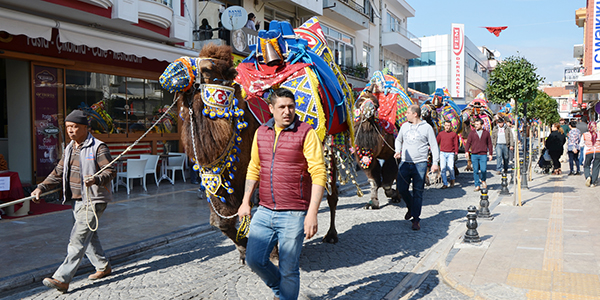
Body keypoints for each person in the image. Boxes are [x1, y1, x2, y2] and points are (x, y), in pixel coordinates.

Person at [237, 88, 326, 300]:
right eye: (282, 107)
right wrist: (245, 202)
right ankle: (282, 291)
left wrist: (312, 213)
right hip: (264, 210)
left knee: (289, 269)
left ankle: (286, 294)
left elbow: (319, 173)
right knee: (254, 260)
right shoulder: (261, 133)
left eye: (291, 107)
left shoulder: (306, 133)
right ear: (271, 109)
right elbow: (254, 168)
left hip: (294, 213)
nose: (287, 111)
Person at [31, 110, 116, 293]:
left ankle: (62, 278)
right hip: (76, 199)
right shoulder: (70, 147)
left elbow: (110, 171)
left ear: (86, 128)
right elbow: (58, 172)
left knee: (77, 238)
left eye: (75, 127)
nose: (71, 130)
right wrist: (41, 187)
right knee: (88, 236)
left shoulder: (98, 147)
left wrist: (96, 179)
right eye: (68, 127)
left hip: (93, 198)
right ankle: (103, 266)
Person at [394, 104, 439, 231]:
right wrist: (398, 150)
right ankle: (411, 207)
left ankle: (416, 219)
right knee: (401, 189)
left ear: (415, 114)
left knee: (418, 192)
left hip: (420, 164)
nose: (405, 114)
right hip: (405, 162)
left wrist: (435, 163)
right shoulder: (404, 126)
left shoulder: (427, 128)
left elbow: (434, 146)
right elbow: (398, 140)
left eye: (408, 112)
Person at [465, 118, 493, 192]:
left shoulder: (486, 133)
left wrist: (490, 154)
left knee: (483, 170)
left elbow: (489, 144)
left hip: (483, 154)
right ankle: (477, 185)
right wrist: (466, 151)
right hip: (474, 154)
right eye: (475, 124)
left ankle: (483, 180)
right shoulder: (472, 133)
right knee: (475, 170)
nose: (476, 126)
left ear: (481, 124)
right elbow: (468, 143)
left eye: (477, 124)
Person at [436, 120, 458, 189]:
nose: (447, 127)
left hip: (450, 153)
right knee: (443, 168)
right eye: (446, 126)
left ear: (450, 126)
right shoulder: (441, 134)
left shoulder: (453, 134)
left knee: (450, 167)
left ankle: (452, 179)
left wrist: (456, 151)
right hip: (442, 153)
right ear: (444, 126)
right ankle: (445, 183)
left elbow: (456, 143)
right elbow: (436, 141)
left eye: (448, 126)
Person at [580, 121, 600, 187]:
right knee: (596, 167)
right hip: (598, 152)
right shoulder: (599, 134)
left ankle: (588, 176)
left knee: (586, 165)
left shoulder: (585, 134)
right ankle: (593, 182)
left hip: (589, 152)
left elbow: (581, 144)